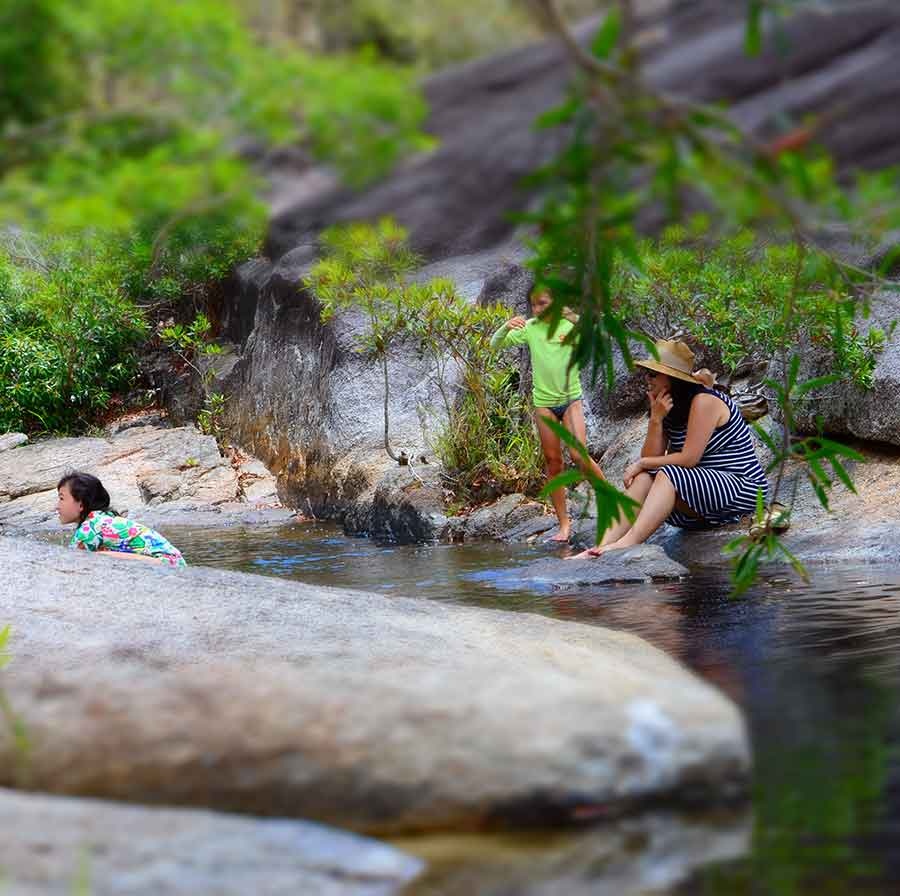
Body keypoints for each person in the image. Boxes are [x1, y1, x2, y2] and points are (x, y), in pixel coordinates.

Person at [572, 339, 769, 558]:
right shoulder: (670, 406)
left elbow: (688, 459)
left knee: (666, 473)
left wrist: (641, 464)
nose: (647, 379)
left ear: (672, 378)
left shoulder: (704, 401)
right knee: (647, 476)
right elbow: (651, 457)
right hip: (700, 500)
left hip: (740, 488)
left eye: (653, 374)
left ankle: (627, 543)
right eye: (647, 373)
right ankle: (599, 547)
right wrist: (656, 419)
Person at [491, 285, 605, 542]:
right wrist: (506, 326)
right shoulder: (530, 328)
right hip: (544, 404)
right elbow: (494, 344)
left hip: (570, 400)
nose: (537, 309)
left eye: (542, 303)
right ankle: (564, 526)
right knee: (554, 464)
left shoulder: (570, 327)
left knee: (579, 456)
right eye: (533, 304)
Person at [56, 471, 186, 567]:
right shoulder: (102, 519)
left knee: (96, 557)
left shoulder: (90, 527)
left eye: (62, 498)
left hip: (169, 564)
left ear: (81, 504)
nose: (57, 506)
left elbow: (70, 563)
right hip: (175, 561)